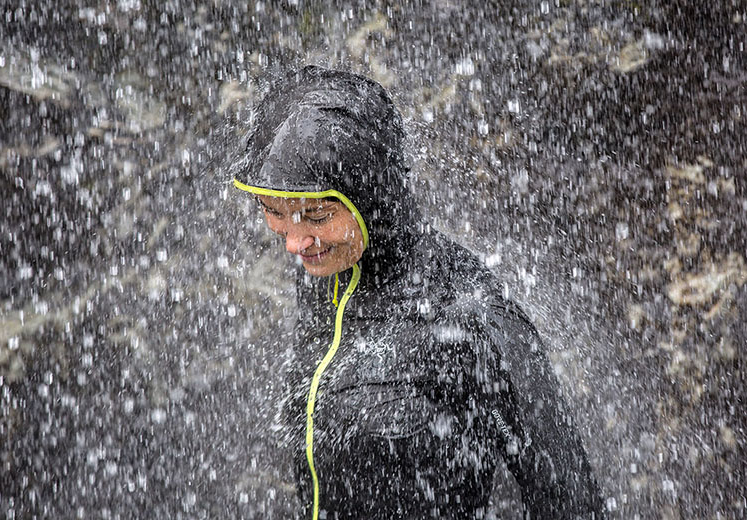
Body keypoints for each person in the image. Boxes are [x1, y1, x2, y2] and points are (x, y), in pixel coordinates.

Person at [229, 65, 604, 519]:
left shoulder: (470, 313)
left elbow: (570, 502)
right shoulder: (329, 272)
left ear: (369, 195)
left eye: (316, 215)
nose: (293, 242)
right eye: (273, 211)